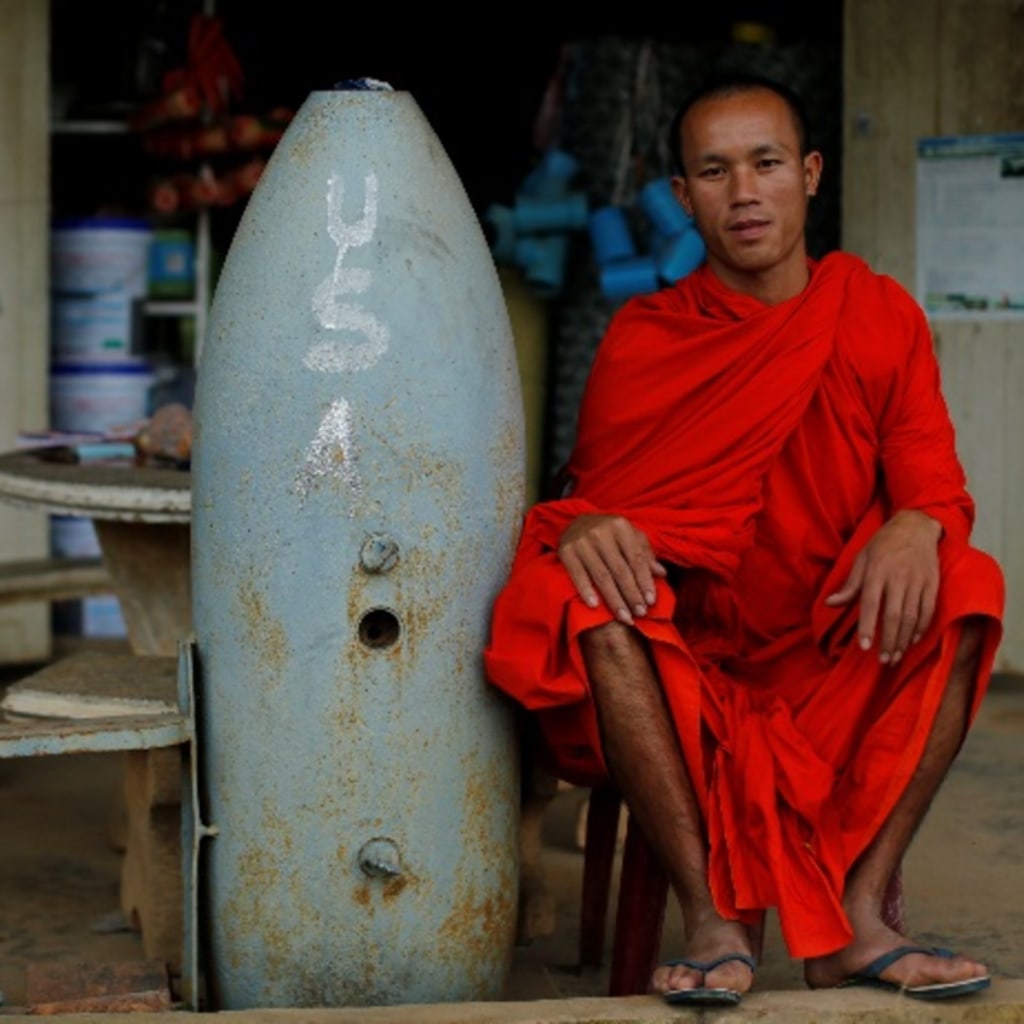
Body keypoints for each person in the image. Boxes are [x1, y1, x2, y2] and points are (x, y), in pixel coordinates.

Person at [484, 72, 1004, 1007]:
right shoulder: (645, 336)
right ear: (684, 198)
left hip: (829, 645)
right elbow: (597, 511)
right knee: (583, 594)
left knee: (965, 581)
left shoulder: (877, 315)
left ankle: (853, 922)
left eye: (766, 163)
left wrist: (916, 524)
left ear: (809, 174)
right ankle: (711, 916)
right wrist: (591, 524)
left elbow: (937, 482)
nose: (745, 192)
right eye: (715, 172)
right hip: (695, 663)